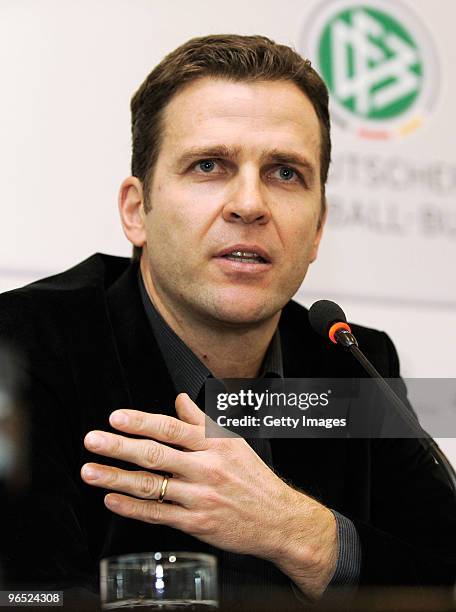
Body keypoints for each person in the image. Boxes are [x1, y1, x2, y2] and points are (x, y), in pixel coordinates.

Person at [0, 34, 455, 609]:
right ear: (137, 211)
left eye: (285, 173)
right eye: (209, 165)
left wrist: (302, 535)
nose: (249, 204)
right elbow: (26, 595)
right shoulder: (22, 348)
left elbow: (443, 578)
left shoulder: (352, 364)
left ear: (317, 229)